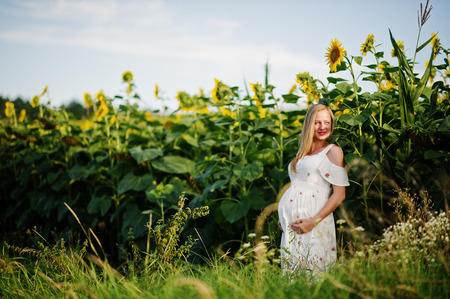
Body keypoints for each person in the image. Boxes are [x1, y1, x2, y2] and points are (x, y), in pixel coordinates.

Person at [277, 103, 349, 274]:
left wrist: (314, 221)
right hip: (293, 226)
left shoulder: (333, 151)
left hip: (314, 221)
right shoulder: (304, 152)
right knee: (293, 274)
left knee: (314, 273)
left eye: (327, 122)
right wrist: (284, 215)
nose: (323, 127)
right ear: (309, 124)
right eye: (317, 122)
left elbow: (339, 194)